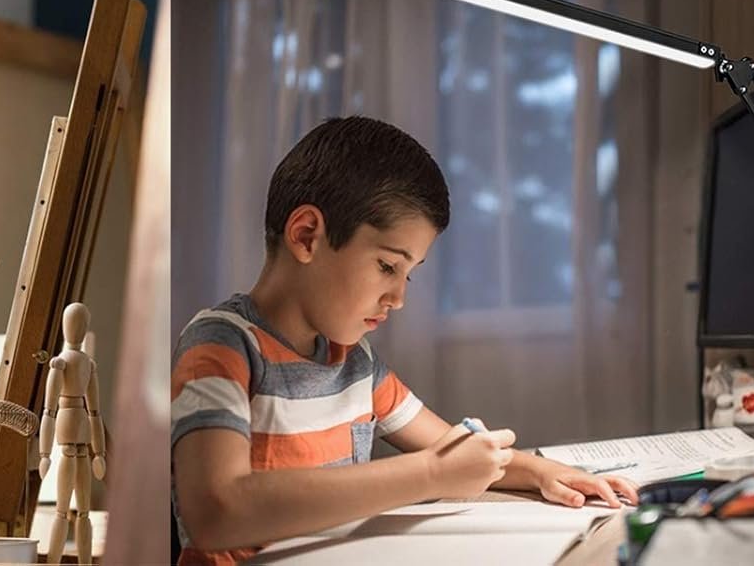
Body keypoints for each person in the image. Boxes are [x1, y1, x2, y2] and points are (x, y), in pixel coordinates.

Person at [170, 117, 639, 566]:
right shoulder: (221, 347)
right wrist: (432, 474)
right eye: (387, 267)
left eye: (409, 275)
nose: (398, 298)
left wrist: (539, 473)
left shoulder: (355, 363)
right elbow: (216, 512)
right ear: (307, 236)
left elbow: (450, 449)